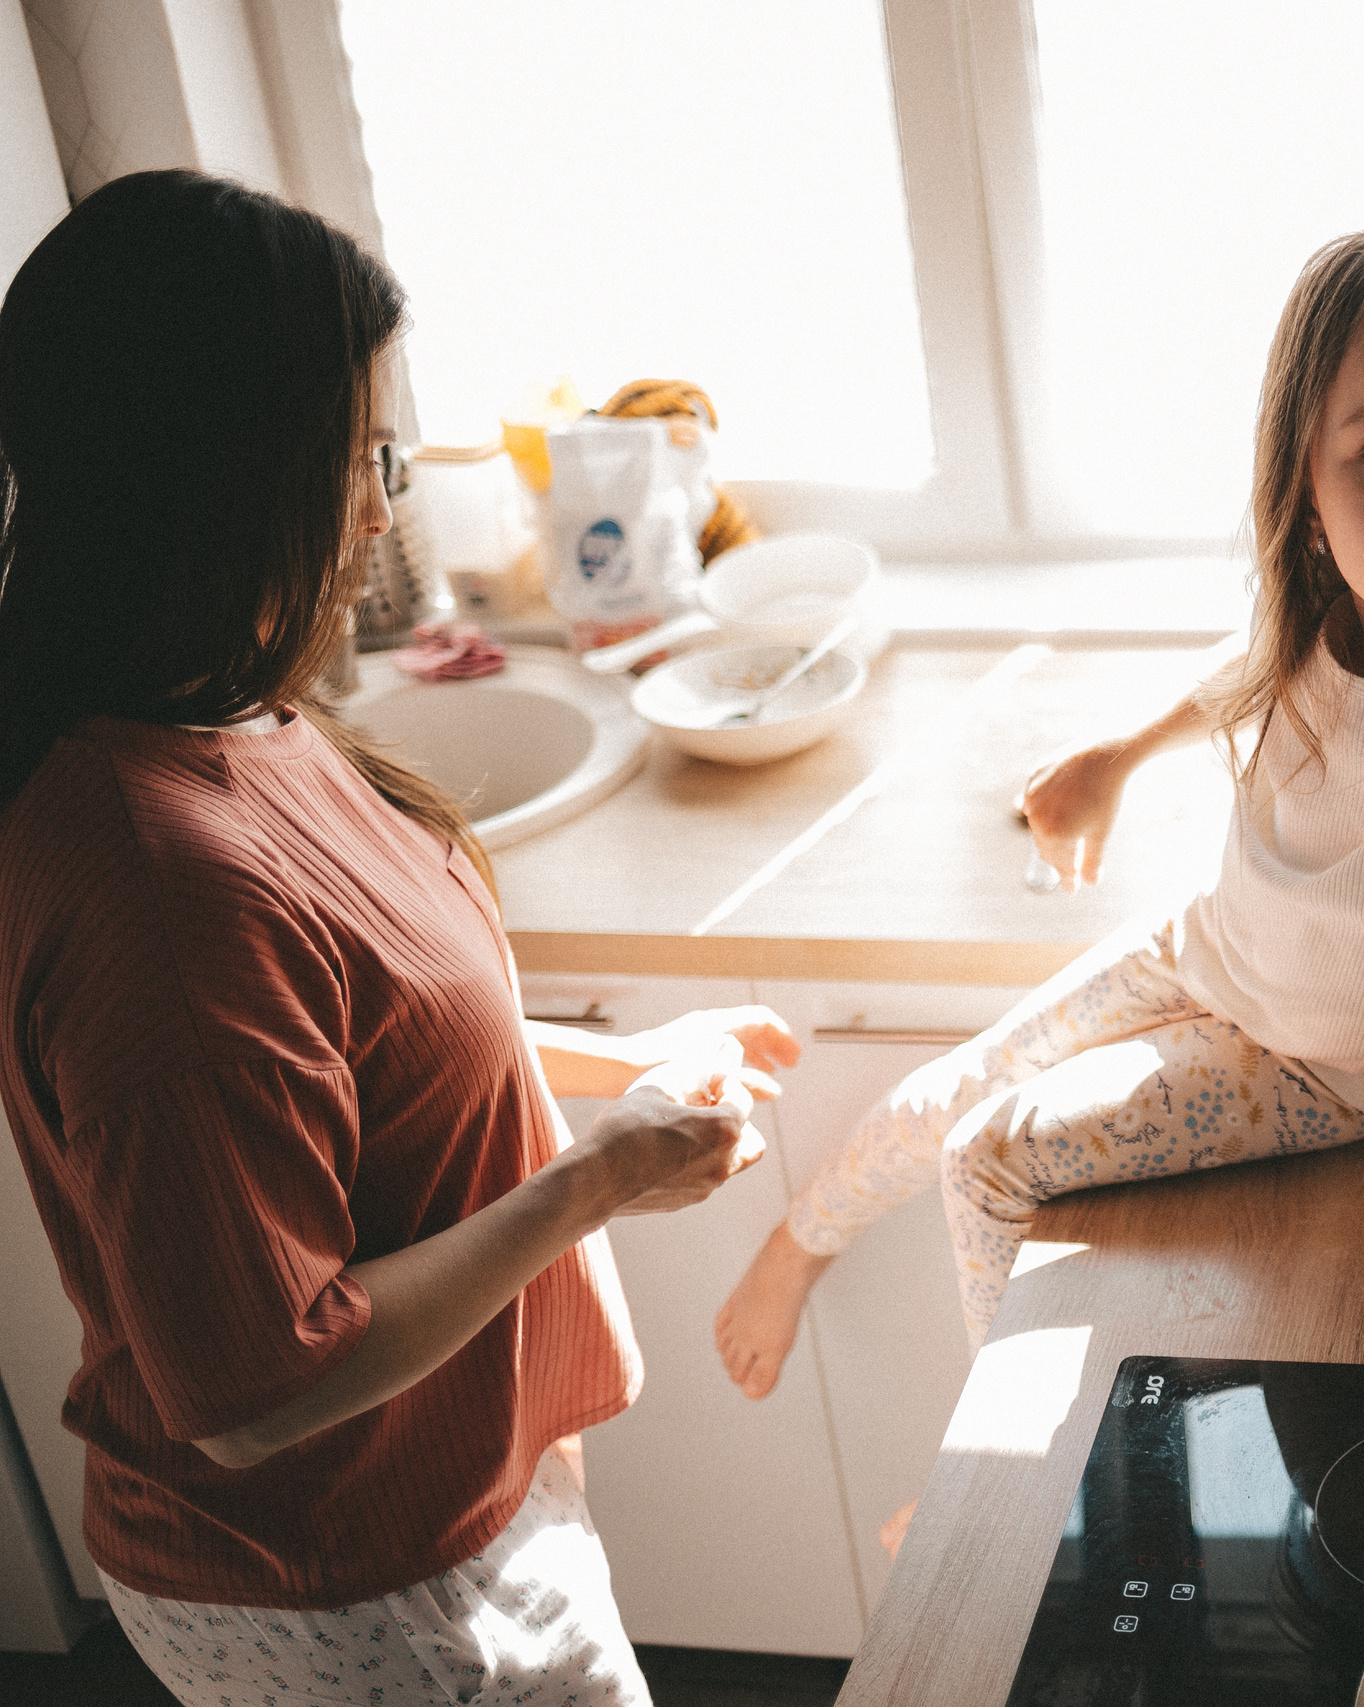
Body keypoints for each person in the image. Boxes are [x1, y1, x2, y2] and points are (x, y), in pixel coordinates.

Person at [0, 170, 793, 1707]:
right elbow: (255, 1387)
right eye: (362, 453)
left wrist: (609, 1060)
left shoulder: (228, 708)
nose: (384, 503)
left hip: (441, 1508)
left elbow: (369, 1038)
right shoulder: (161, 890)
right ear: (222, 474)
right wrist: (602, 1172)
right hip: (348, 1582)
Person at [716, 213, 1364, 1399]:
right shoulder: (1324, 619)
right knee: (945, 1092)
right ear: (1306, 487)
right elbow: (1244, 677)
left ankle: (994, 1464)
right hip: (1208, 957)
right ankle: (797, 1247)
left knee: (983, 1158)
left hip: (1329, 1072)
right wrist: (1114, 761)